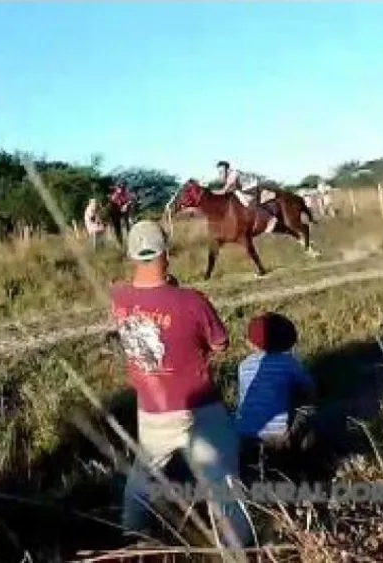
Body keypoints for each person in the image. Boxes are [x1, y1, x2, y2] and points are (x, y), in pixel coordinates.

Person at [109, 220, 254, 549]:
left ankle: (133, 533)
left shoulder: (118, 299)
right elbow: (220, 344)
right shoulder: (192, 300)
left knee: (144, 471)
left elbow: (141, 303)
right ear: (166, 254)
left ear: (131, 256)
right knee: (223, 481)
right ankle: (238, 548)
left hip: (151, 408)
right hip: (198, 409)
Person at [235, 312, 317, 450]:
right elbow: (310, 389)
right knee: (308, 411)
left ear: (250, 343)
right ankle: (305, 455)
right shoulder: (289, 362)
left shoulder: (243, 365)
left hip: (243, 436)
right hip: (277, 437)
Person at [216, 160, 278, 233]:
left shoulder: (233, 175)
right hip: (247, 188)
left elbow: (224, 191)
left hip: (251, 188)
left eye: (222, 171)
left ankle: (271, 219)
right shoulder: (229, 176)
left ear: (228, 169)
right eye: (219, 172)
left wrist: (210, 193)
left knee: (246, 203)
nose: (220, 174)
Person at [109, 179, 133, 243]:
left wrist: (126, 205)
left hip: (123, 211)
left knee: (127, 224)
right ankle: (120, 242)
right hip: (115, 211)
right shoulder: (114, 194)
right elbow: (113, 202)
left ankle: (130, 239)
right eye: (120, 186)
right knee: (117, 227)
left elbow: (130, 200)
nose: (121, 188)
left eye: (123, 187)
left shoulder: (125, 192)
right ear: (118, 186)